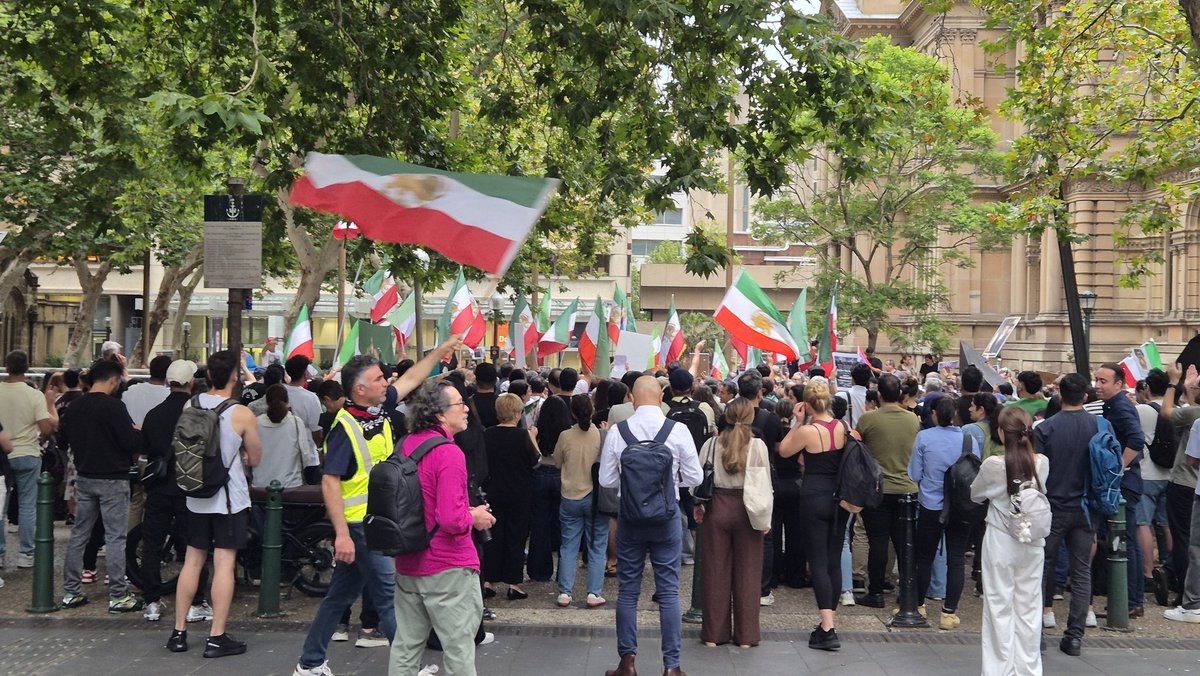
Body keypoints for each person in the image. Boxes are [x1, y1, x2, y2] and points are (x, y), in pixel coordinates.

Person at [292, 356, 400, 675]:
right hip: (362, 526)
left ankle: (310, 662)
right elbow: (330, 481)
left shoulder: (374, 410)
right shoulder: (345, 427)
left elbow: (408, 381)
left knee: (339, 597)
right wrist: (341, 533)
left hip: (369, 522)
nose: (387, 382)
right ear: (360, 388)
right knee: (390, 595)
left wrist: (443, 350)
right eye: (380, 378)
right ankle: (410, 666)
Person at [389, 380, 497, 676]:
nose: (466, 409)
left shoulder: (406, 444)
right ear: (438, 414)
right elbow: (451, 519)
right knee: (459, 648)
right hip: (447, 566)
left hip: (409, 560)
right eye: (459, 404)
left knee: (407, 646)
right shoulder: (449, 453)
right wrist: (474, 516)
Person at [599, 376, 703, 676]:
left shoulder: (619, 432)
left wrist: (633, 488)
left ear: (631, 398)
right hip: (666, 517)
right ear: (661, 398)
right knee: (668, 591)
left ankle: (627, 661)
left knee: (628, 591)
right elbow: (695, 478)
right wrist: (669, 485)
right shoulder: (678, 430)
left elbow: (606, 480)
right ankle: (672, 665)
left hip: (630, 518)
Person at [168, 350, 263, 658]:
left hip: (195, 495)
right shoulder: (241, 413)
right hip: (228, 499)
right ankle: (216, 636)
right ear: (235, 376)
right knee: (224, 563)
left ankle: (179, 632)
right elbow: (257, 457)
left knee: (192, 561)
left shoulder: (189, 404)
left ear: (207, 376)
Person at [58, 359, 142, 612]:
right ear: (114, 380)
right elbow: (130, 443)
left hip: (84, 476)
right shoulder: (114, 407)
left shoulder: (74, 406)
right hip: (113, 477)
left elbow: (62, 440)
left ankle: (71, 591)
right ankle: (118, 595)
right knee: (115, 536)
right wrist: (137, 432)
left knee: (80, 533)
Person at [972, 406, 1048, 676]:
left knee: (998, 605)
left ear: (1002, 433)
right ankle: (1028, 669)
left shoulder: (993, 465)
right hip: (1032, 541)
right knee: (1028, 606)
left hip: (1001, 539)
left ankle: (998, 669)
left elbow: (976, 494)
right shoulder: (1041, 462)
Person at [139, 359, 213, 623]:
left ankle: (152, 601)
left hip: (158, 488)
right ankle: (196, 601)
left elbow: (145, 449)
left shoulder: (153, 414)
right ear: (191, 382)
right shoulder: (195, 415)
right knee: (194, 547)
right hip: (188, 488)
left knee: (152, 544)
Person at [779, 379, 852, 649]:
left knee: (818, 562)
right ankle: (827, 622)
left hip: (813, 496)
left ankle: (828, 627)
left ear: (807, 403)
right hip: (839, 498)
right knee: (833, 560)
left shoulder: (808, 431)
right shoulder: (845, 428)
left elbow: (784, 450)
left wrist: (798, 421)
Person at [1034, 373, 1098, 655]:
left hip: (1053, 505)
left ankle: (1037, 632)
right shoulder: (1097, 426)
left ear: (1059, 394)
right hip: (1085, 506)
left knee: (1042, 568)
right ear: (1085, 395)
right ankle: (1074, 636)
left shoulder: (1045, 428)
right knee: (1082, 570)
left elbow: (1036, 472)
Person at [697, 397, 768, 648]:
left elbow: (698, 479)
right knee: (748, 572)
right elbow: (764, 485)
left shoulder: (711, 444)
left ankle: (714, 634)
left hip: (717, 507)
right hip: (748, 509)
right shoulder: (758, 446)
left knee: (715, 571)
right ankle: (746, 636)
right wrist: (764, 517)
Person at [908, 396, 980, 630]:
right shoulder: (969, 440)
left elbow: (914, 474)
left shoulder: (924, 438)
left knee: (924, 558)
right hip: (961, 506)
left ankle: (918, 605)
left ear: (935, 414)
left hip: (931, 504)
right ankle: (949, 612)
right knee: (956, 559)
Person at [853, 374, 920, 608]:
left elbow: (856, 447)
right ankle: (906, 591)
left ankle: (876, 591)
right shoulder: (913, 420)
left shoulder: (868, 419)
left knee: (878, 541)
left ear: (879, 394)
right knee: (903, 544)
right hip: (906, 488)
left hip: (878, 488)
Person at [1092, 362, 1147, 620]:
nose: (1098, 385)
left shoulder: (1122, 406)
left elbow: (1136, 439)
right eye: (1096, 380)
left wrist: (1118, 467)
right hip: (1124, 481)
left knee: (1126, 542)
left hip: (1126, 483)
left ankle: (1132, 601)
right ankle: (1129, 600)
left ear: (1119, 384)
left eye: (1103, 381)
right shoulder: (1112, 405)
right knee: (1124, 541)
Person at [0, 350, 57, 568]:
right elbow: (45, 427)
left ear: (6, 367)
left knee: (1, 509)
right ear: (26, 368)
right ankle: (26, 553)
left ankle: (0, 553)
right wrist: (41, 437)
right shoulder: (34, 395)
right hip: (27, 453)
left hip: (2, 456)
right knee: (27, 505)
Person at [482, 393, 539, 600]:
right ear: (517, 412)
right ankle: (514, 583)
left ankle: (488, 580)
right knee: (516, 536)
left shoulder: (487, 434)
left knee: (492, 535)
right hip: (519, 492)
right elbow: (536, 460)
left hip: (493, 490)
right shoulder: (523, 436)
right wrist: (533, 437)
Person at [554, 394, 607, 608]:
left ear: (572, 413)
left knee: (568, 546)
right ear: (592, 410)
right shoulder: (603, 435)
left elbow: (557, 462)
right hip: (596, 498)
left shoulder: (565, 436)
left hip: (570, 494)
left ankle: (565, 592)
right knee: (596, 546)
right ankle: (594, 593)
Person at [252, 384, 320, 489]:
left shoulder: (255, 423)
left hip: (260, 486)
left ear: (266, 402)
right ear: (287, 400)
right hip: (291, 486)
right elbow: (305, 455)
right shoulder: (296, 423)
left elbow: (249, 456)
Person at [285, 355, 324, 446]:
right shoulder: (311, 398)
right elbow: (317, 431)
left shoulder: (279, 391)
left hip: (284, 446)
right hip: (306, 449)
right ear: (304, 373)